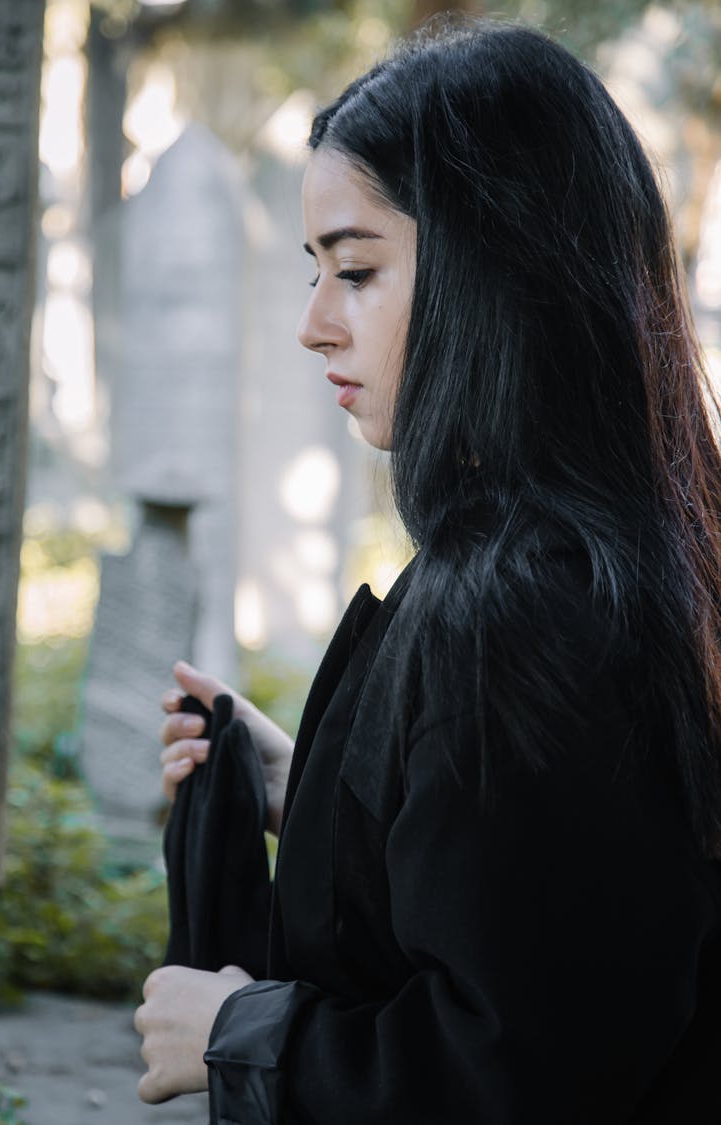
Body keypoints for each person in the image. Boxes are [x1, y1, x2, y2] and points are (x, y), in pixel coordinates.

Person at [133, 18, 721, 1123]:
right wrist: (311, 787)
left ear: (500, 267)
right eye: (317, 272)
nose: (314, 326)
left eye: (355, 270)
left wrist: (236, 1031)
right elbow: (538, 899)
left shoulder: (528, 608)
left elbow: (516, 1071)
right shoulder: (588, 563)